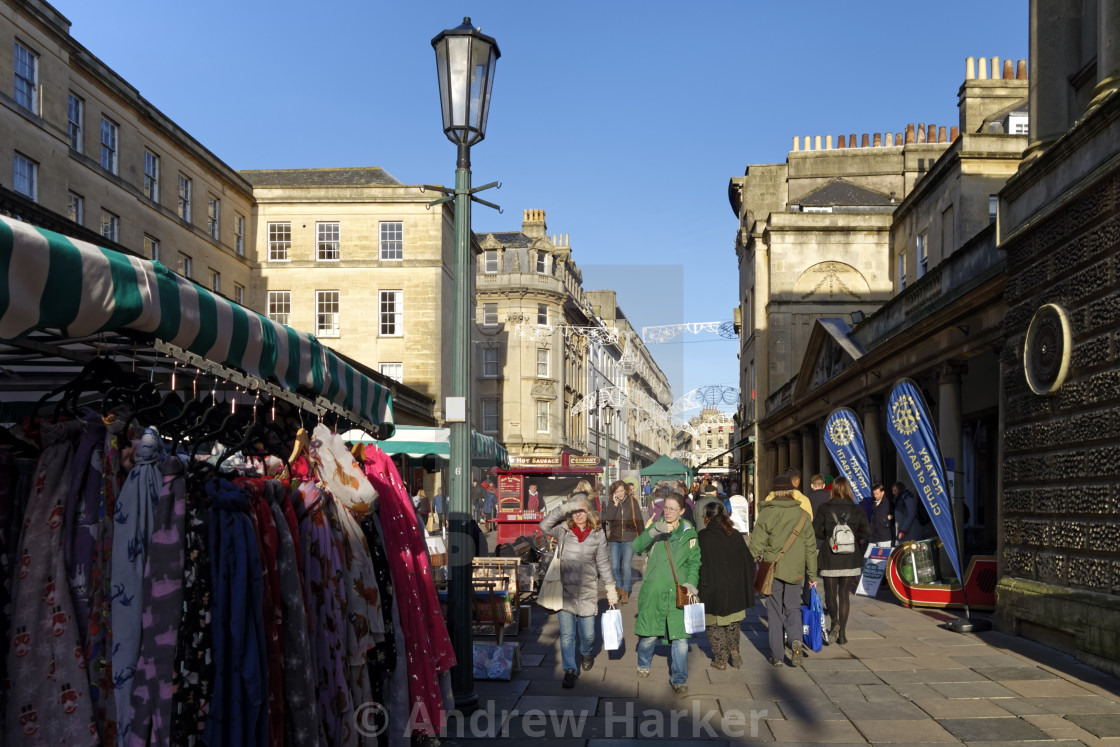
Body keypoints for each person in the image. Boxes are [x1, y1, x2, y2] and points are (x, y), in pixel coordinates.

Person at [539, 492, 617, 688]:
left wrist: (610, 588)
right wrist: (563, 508)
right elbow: (544, 526)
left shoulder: (597, 533)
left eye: (581, 510)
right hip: (565, 590)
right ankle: (569, 670)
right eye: (574, 511)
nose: (578, 514)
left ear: (589, 511)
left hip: (588, 590)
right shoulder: (564, 529)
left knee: (589, 634)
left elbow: (603, 562)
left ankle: (586, 652)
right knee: (567, 635)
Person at [632, 492, 700, 694]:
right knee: (649, 636)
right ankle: (643, 663)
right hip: (655, 589)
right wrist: (653, 532)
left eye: (672, 508)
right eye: (666, 508)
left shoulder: (689, 532)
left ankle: (679, 679)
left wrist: (692, 583)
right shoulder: (655, 526)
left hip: (679, 591)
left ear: (681, 511)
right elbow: (636, 547)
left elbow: (694, 562)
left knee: (681, 639)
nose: (668, 512)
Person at [749, 473, 817, 668]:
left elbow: (756, 545)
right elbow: (810, 548)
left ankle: (777, 655)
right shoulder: (802, 514)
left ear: (775, 491)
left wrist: (748, 564)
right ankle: (795, 639)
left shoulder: (767, 513)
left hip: (772, 569)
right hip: (795, 569)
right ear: (792, 491)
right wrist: (812, 575)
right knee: (793, 607)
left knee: (775, 611)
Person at [813, 476, 872, 645]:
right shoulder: (857, 509)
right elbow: (868, 530)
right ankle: (843, 635)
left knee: (830, 594)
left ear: (833, 490)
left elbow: (815, 530)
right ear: (847, 489)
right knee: (844, 595)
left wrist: (828, 537)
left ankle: (835, 622)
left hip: (831, 555)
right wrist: (853, 537)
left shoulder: (825, 507)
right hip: (850, 557)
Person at [697, 501, 754, 670]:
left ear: (707, 518)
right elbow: (748, 560)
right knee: (733, 622)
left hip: (711, 587)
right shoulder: (734, 534)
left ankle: (721, 659)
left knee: (713, 625)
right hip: (734, 588)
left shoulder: (702, 537)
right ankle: (734, 651)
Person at [600, 479, 643, 604]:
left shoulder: (632, 501)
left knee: (625, 566)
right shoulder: (611, 502)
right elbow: (608, 519)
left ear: (625, 490)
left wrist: (643, 538)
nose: (620, 493)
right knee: (614, 566)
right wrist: (613, 504)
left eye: (621, 490)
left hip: (630, 537)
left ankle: (625, 591)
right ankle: (618, 586)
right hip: (615, 538)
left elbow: (639, 519)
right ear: (613, 493)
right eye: (617, 491)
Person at [869, 482, 894, 548]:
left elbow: (893, 515)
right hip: (874, 535)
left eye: (877, 493)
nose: (875, 496)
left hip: (884, 536)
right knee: (869, 555)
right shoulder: (873, 502)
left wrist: (885, 519)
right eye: (874, 494)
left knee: (883, 556)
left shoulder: (887, 502)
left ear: (882, 492)